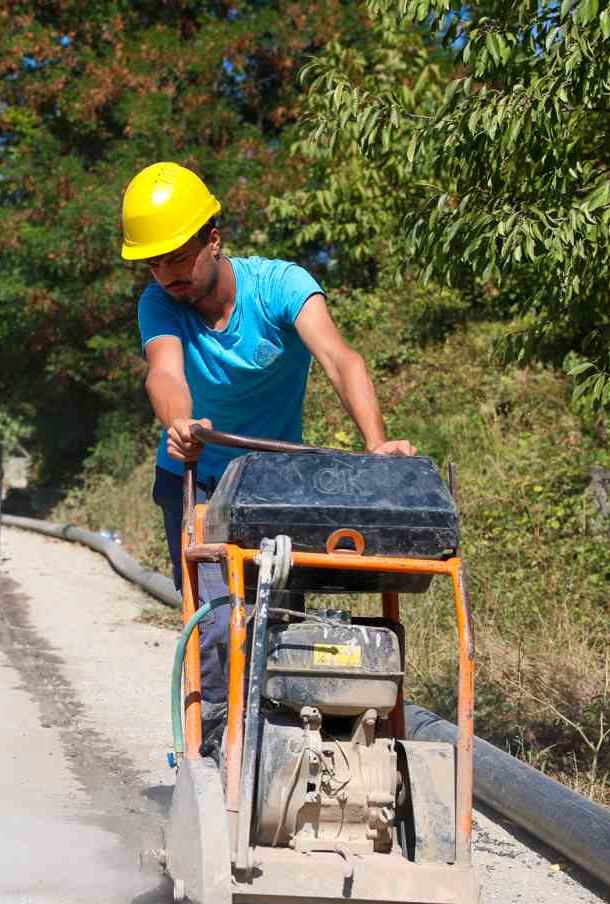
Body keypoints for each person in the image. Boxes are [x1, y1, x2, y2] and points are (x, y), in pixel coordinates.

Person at [120, 161, 415, 756]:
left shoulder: (281, 285)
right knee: (219, 621)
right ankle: (213, 758)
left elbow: (340, 359)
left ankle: (280, 749)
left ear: (214, 239)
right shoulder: (159, 304)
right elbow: (165, 372)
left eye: (178, 256)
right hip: (195, 476)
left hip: (273, 483)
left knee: (276, 618)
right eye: (153, 262)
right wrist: (180, 422)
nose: (166, 273)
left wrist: (377, 445)